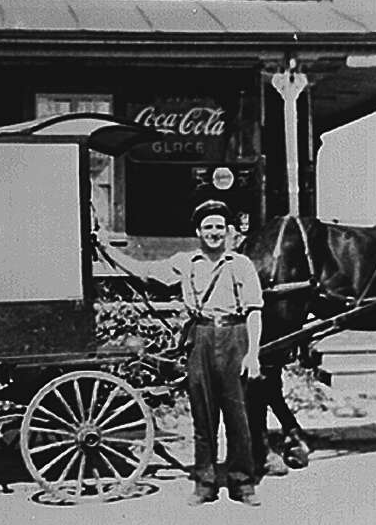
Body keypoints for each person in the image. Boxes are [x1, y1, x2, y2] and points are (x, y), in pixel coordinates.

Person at [105, 200, 264, 506]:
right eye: (208, 227)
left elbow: (255, 310)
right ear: (198, 231)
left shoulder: (240, 264)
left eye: (219, 226)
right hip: (200, 338)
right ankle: (204, 483)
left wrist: (252, 354)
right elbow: (145, 270)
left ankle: (242, 483)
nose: (214, 233)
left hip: (235, 337)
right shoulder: (186, 262)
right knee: (203, 417)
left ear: (228, 230)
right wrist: (108, 251)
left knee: (238, 415)